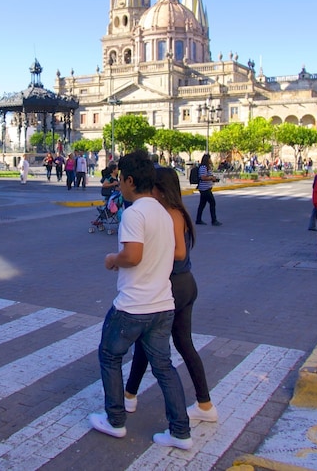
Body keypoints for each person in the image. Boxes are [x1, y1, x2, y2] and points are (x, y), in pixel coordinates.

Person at [89, 150, 192, 450]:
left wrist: (113, 259)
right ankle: (180, 431)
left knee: (110, 356)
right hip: (162, 305)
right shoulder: (163, 211)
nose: (119, 185)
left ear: (131, 181)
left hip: (134, 305)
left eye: (120, 180)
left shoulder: (135, 212)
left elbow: (132, 256)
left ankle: (115, 420)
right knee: (164, 367)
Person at [124, 167, 216, 423]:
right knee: (183, 344)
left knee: (148, 344)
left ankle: (129, 396)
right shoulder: (176, 211)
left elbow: (179, 253)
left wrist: (152, 251)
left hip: (174, 285)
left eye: (153, 187)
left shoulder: (171, 214)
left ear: (160, 190)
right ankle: (205, 404)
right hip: (185, 283)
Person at [194, 153, 221, 226]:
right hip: (204, 188)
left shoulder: (206, 167)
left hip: (206, 188)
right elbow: (203, 177)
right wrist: (211, 178)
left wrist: (213, 179)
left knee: (202, 204)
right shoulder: (203, 167)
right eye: (209, 158)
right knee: (212, 203)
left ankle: (198, 219)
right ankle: (214, 220)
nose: (210, 160)